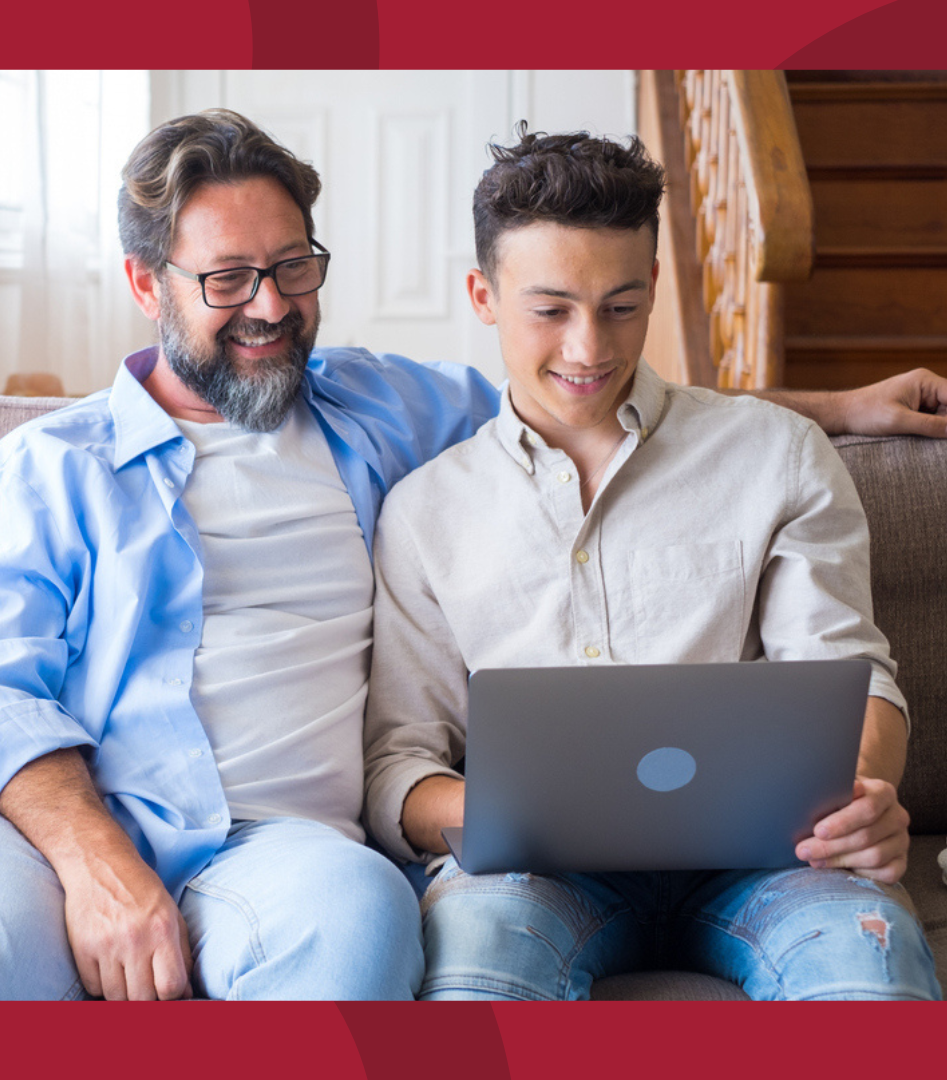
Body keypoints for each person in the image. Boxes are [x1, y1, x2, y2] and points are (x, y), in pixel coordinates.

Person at [0, 110, 942, 1001]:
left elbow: (593, 395)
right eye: (228, 280)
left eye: (293, 267)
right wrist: (93, 860)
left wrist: (840, 406)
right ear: (147, 286)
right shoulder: (46, 465)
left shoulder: (379, 413)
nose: (274, 306)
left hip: (276, 850)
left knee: (364, 933)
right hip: (50, 829)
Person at [362, 125, 942, 1000]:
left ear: (657, 285)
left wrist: (863, 796)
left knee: (868, 966)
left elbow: (855, 678)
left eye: (622, 305)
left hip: (772, 860)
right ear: (483, 295)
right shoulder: (424, 511)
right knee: (475, 969)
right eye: (551, 310)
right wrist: (506, 816)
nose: (590, 348)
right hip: (534, 875)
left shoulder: (776, 455)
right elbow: (398, 766)